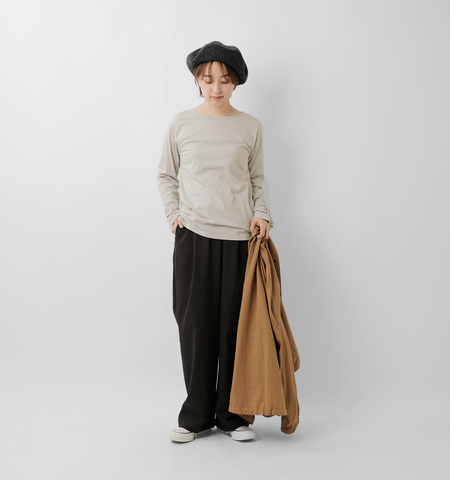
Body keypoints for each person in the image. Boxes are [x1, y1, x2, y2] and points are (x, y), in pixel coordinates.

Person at [157, 40, 273, 443]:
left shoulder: (250, 127)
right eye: (208, 79)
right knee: (195, 326)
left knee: (233, 329)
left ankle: (232, 416)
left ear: (236, 81)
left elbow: (257, 180)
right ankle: (195, 417)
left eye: (224, 79)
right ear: (197, 80)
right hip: (193, 237)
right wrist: (174, 217)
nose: (216, 87)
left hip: (239, 239)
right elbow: (166, 175)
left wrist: (262, 213)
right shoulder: (181, 123)